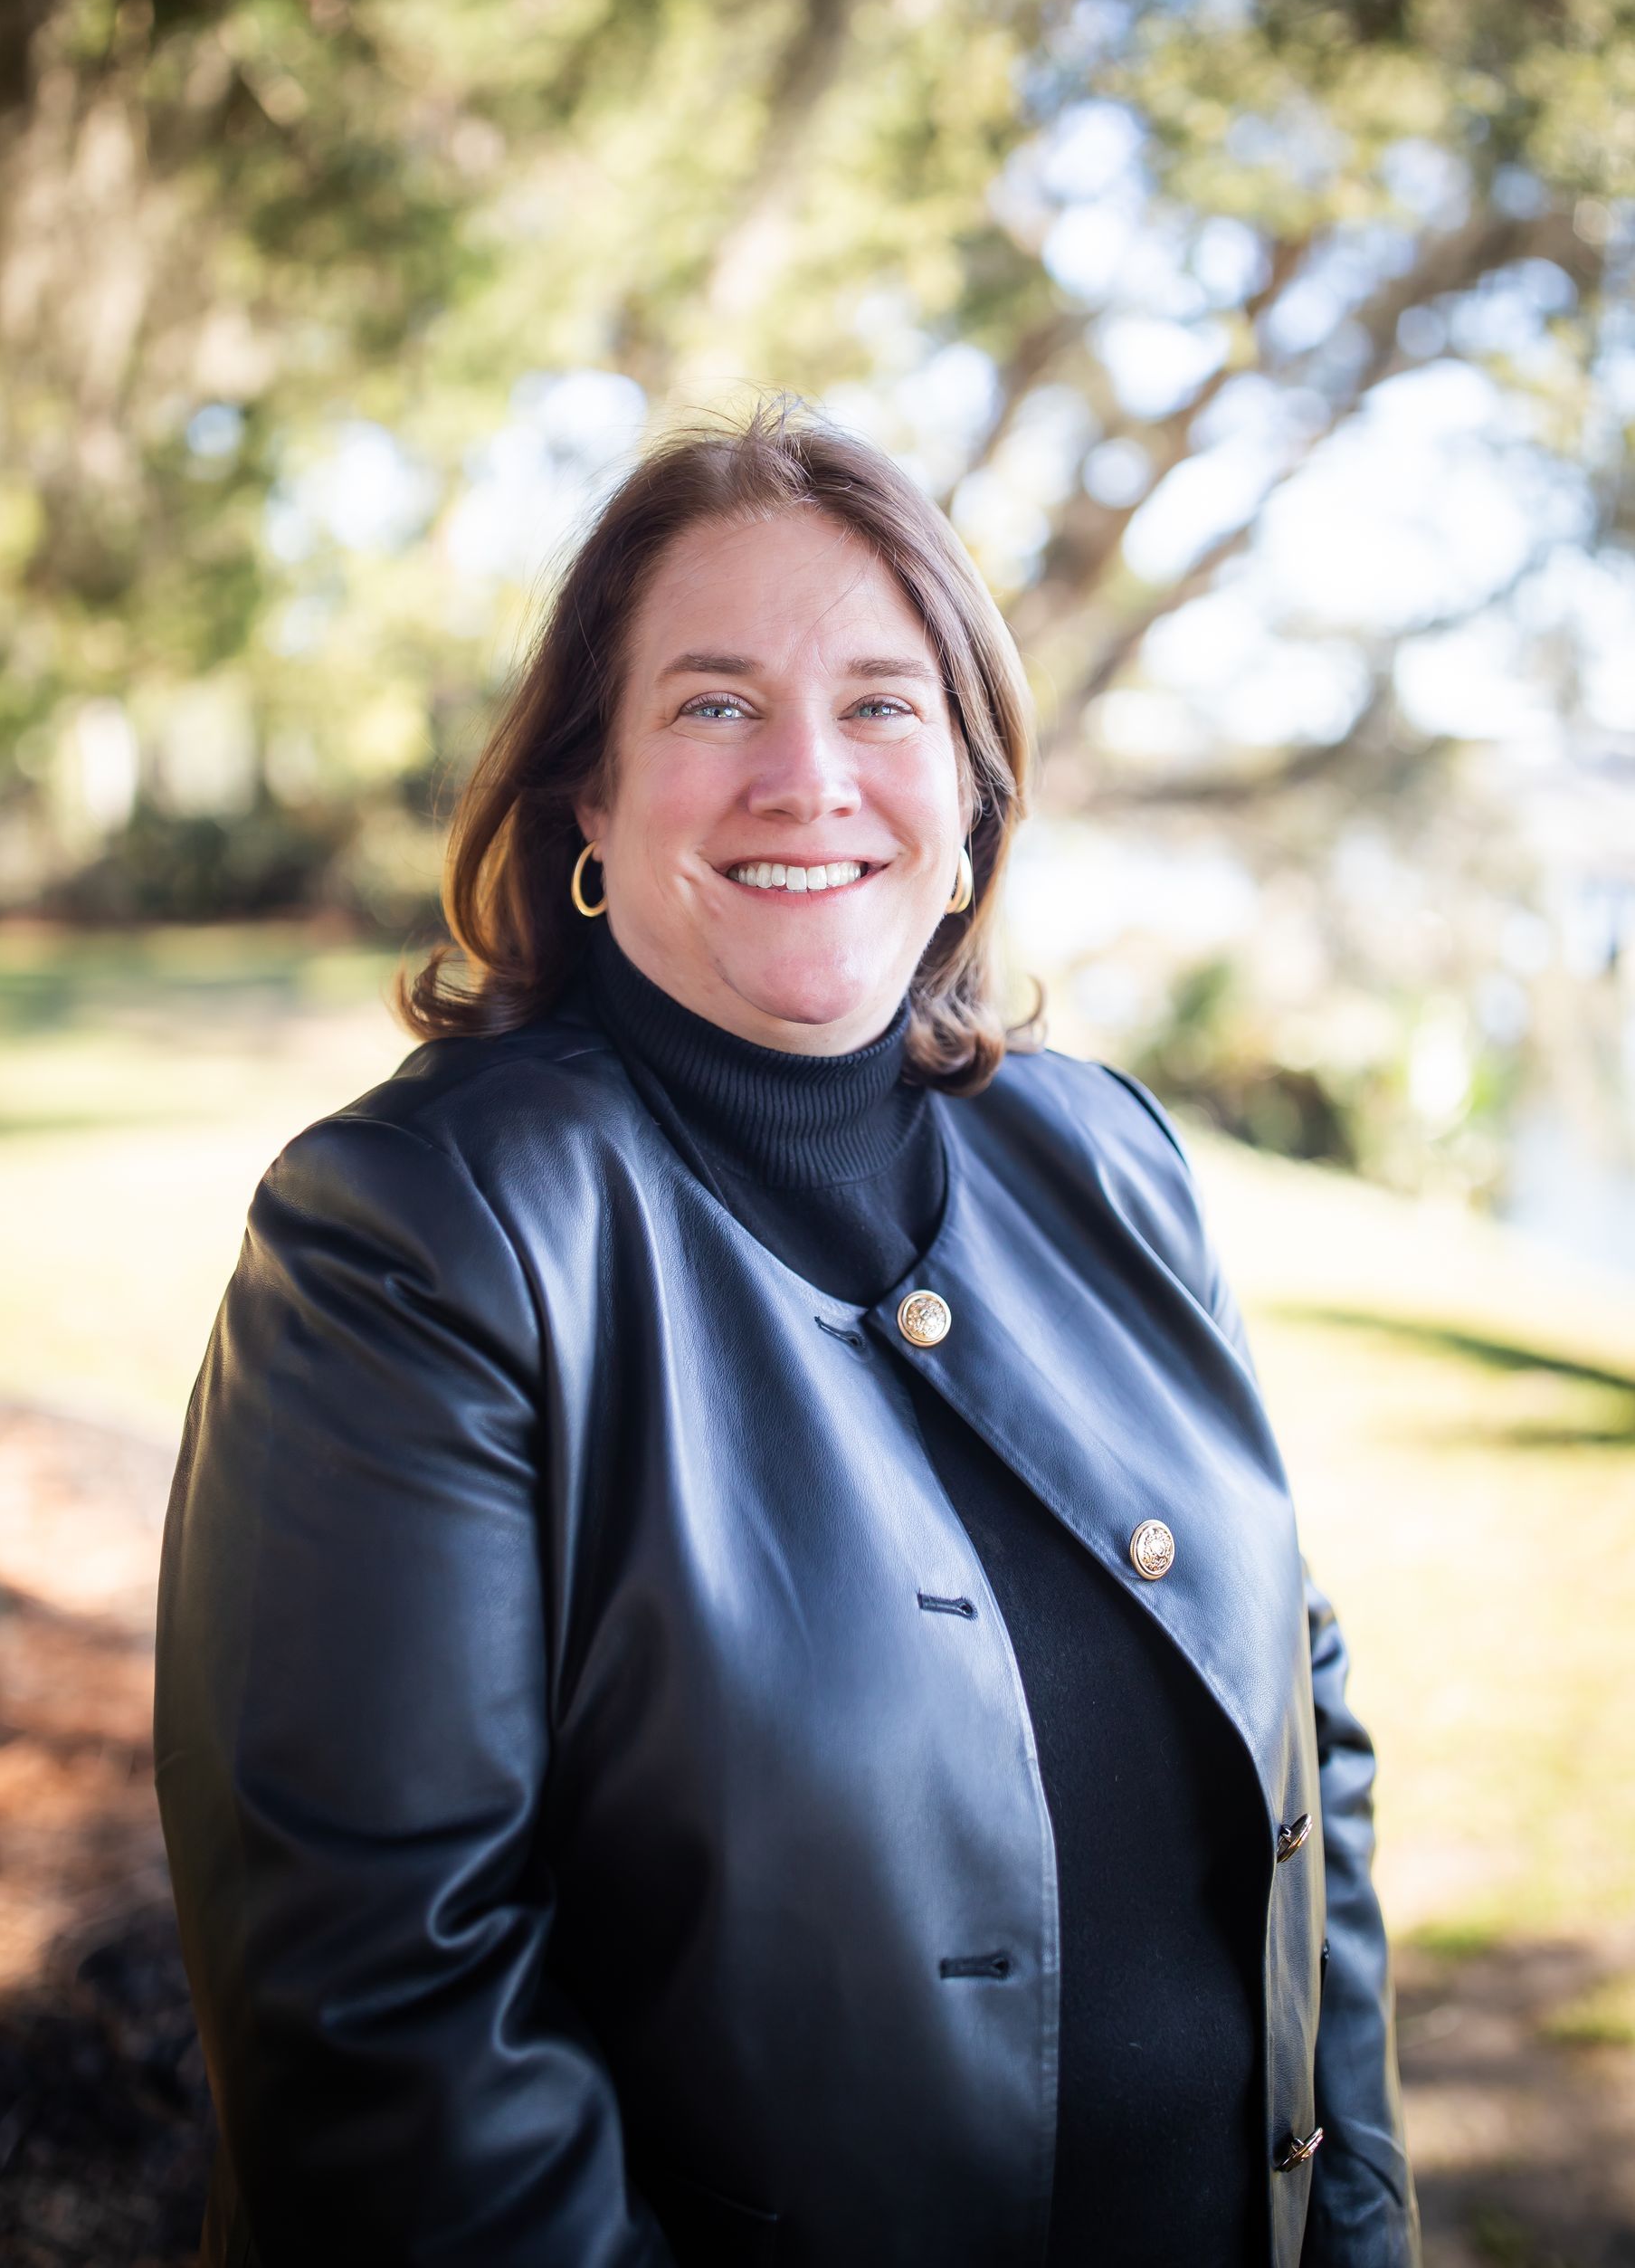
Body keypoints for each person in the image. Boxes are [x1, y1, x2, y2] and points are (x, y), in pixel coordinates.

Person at [154, 404, 1420, 2268]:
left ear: (972, 791)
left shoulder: (1111, 1157)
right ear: (589, 799)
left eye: (883, 705)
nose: (808, 780)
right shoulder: (414, 1240)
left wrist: (1362, 2226)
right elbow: (381, 2034)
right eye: (715, 705)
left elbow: (1306, 1722)